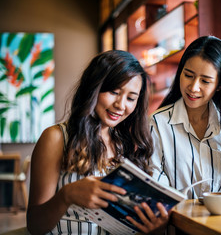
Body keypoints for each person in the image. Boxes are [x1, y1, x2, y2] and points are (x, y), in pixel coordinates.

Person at [27, 50, 169, 234]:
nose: (121, 104)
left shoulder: (126, 144)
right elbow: (35, 225)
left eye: (131, 98)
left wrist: (152, 227)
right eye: (114, 92)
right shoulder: (56, 138)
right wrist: (66, 195)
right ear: (93, 88)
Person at [149, 36, 221, 199]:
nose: (193, 87)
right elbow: (155, 183)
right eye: (188, 75)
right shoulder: (157, 123)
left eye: (205, 81)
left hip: (216, 221)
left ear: (219, 85)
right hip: (177, 219)